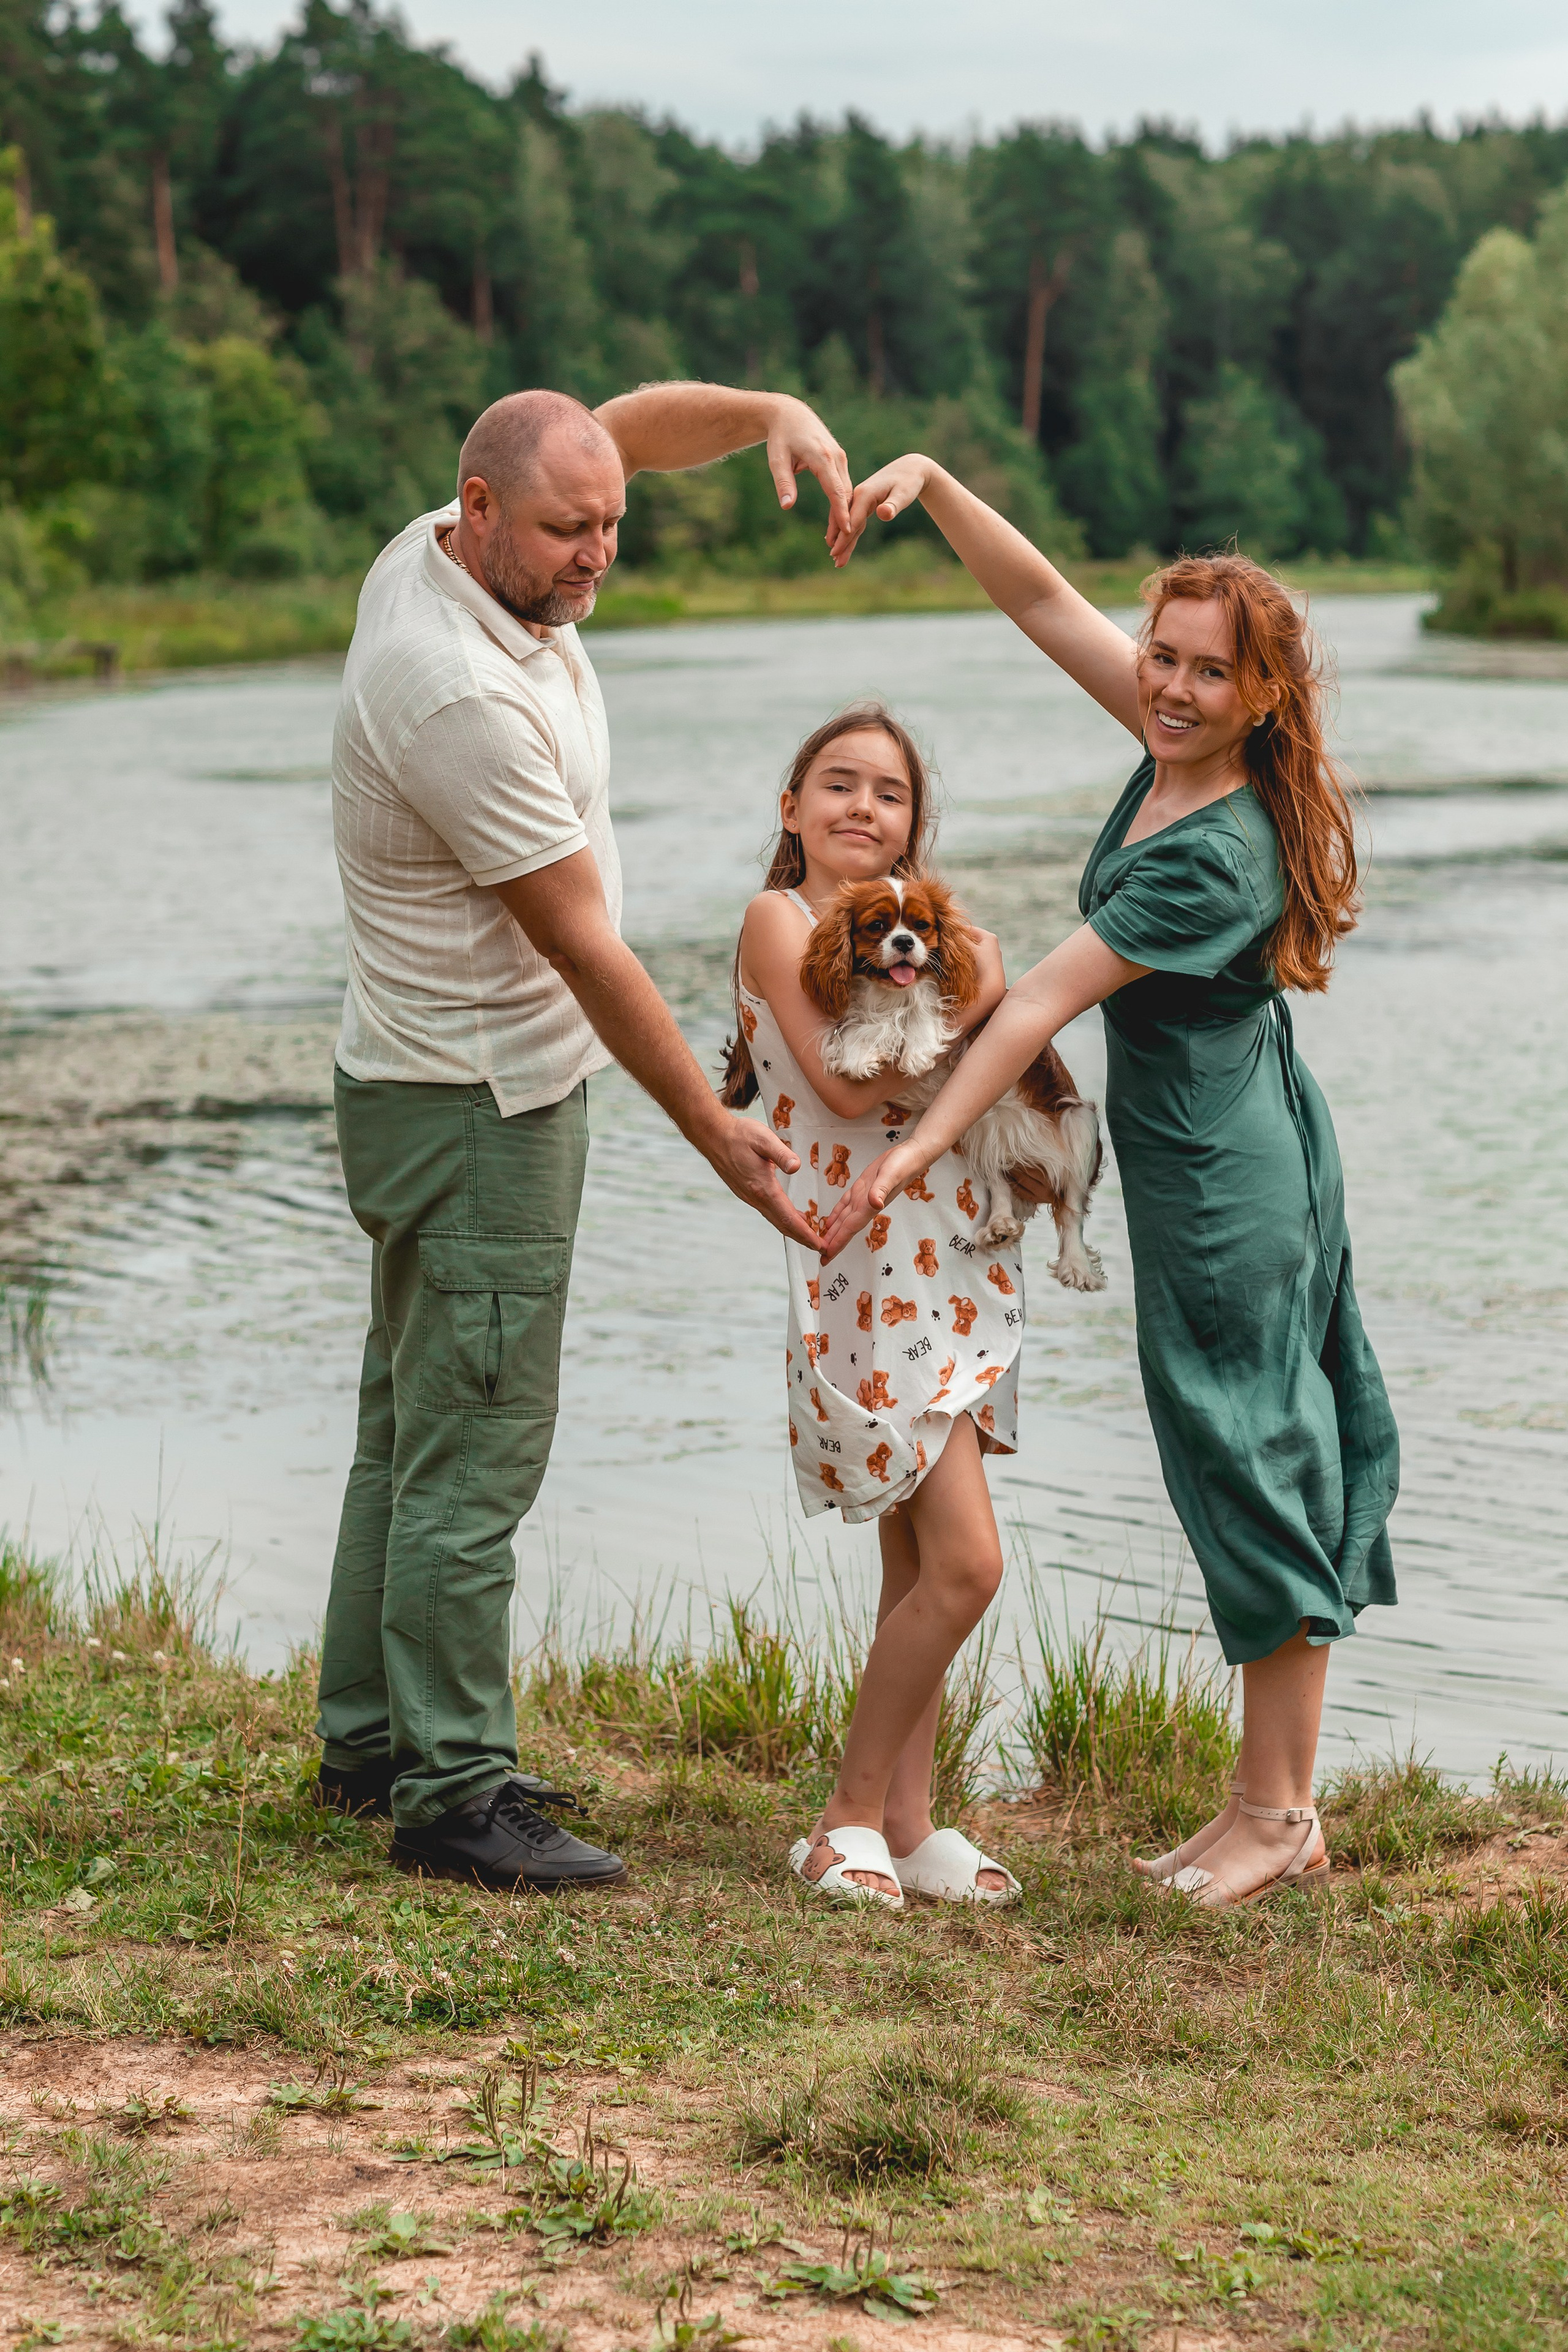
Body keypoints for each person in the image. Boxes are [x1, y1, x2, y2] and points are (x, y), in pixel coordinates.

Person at [820, 461, 1400, 1910]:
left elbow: (1029, 1013)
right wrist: (941, 488)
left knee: (1247, 1440)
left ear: (1260, 695)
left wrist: (902, 1148)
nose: (1173, 684)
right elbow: (1037, 597)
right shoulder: (1173, 758)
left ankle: (1278, 1815)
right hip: (1219, 1139)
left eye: (1211, 672)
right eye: (1163, 656)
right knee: (1233, 1436)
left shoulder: (1212, 850)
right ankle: (1260, 1803)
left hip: (1224, 1175)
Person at [316, 381, 850, 1893]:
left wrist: (768, 418)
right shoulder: (451, 687)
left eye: (608, 521)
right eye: (568, 529)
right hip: (483, 1102)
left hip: (418, 1081)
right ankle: (455, 1797)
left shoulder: (443, 544)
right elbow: (584, 946)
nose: (596, 553)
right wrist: (714, 1129)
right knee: (474, 1449)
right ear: (479, 510)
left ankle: (376, 1737)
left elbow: (606, 425)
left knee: (405, 1431)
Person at [730, 704, 1024, 1909]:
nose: (862, 807)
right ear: (790, 809)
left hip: (941, 1264)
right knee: (966, 1566)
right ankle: (844, 1818)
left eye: (889, 793)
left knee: (915, 1562)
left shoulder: (912, 935)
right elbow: (858, 1090)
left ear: (914, 826)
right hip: (865, 1274)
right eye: (836, 785)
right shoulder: (779, 921)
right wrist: (991, 982)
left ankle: (905, 1821)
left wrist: (979, 979)